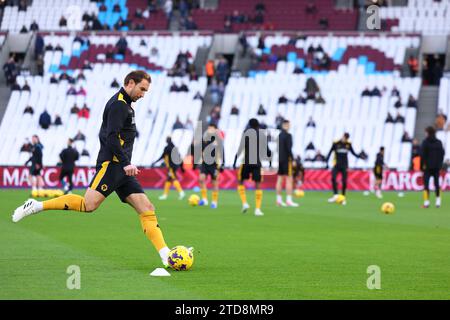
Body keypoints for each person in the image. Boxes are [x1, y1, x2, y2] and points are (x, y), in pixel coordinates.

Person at [12, 70, 176, 268]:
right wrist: (125, 163)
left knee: (147, 208)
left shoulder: (125, 105)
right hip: (113, 166)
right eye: (142, 89)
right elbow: (111, 137)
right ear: (130, 83)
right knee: (88, 205)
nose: (143, 94)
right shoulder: (119, 105)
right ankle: (36, 206)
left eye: (146, 91)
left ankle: (166, 255)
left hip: (122, 169)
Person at [233, 118, 272, 216]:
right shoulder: (262, 135)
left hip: (246, 162)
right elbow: (268, 151)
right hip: (257, 163)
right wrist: (270, 163)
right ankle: (257, 209)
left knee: (240, 181)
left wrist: (234, 161)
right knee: (258, 185)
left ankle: (245, 203)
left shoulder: (246, 133)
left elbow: (240, 148)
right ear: (258, 125)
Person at [325, 133, 367, 205]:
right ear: (342, 136)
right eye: (345, 138)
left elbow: (353, 153)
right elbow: (330, 152)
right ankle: (335, 196)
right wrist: (326, 162)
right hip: (336, 165)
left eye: (346, 138)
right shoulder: (336, 143)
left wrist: (360, 157)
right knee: (333, 178)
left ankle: (343, 197)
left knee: (344, 181)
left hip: (345, 166)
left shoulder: (348, 144)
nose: (345, 139)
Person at [198, 123, 224, 209]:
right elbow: (201, 150)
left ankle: (214, 202)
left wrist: (223, 163)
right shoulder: (205, 139)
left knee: (214, 183)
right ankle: (205, 199)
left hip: (214, 164)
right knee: (201, 179)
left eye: (211, 128)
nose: (209, 129)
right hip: (205, 163)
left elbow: (222, 152)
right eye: (208, 128)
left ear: (215, 129)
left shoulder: (218, 140)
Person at [152, 137, 185, 201]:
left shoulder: (167, 148)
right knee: (169, 179)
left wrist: (155, 162)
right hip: (176, 165)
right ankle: (165, 195)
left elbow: (162, 156)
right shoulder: (175, 147)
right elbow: (179, 157)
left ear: (166, 141)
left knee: (173, 178)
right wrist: (182, 167)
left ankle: (181, 192)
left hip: (171, 166)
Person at [421, 126, 445, 208]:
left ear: (428, 133)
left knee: (426, 184)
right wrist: (440, 165)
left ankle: (426, 202)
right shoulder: (439, 142)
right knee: (437, 184)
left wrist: (422, 167)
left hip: (427, 167)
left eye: (426, 132)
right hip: (436, 167)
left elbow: (422, 155)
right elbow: (442, 154)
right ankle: (438, 201)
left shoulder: (425, 142)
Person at [276, 120, 298, 207]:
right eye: (289, 125)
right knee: (289, 179)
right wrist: (293, 159)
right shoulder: (288, 136)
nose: (290, 126)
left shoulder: (279, 135)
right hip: (286, 160)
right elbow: (289, 149)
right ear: (286, 125)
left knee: (279, 180)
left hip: (280, 159)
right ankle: (289, 200)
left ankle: (279, 200)